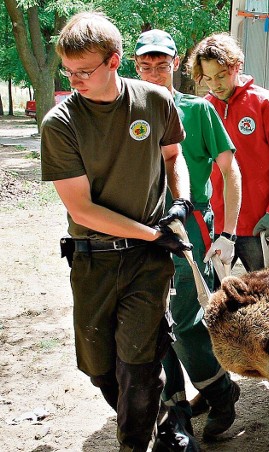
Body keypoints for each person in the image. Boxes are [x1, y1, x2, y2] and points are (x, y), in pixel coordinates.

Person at [40, 12, 193, 451]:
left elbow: (172, 156)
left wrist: (179, 201)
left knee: (138, 364)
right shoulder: (61, 123)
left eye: (85, 71)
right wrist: (152, 233)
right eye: (69, 72)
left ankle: (135, 442)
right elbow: (81, 208)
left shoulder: (154, 100)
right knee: (99, 368)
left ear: (114, 60)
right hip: (94, 258)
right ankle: (162, 412)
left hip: (147, 262)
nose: (76, 80)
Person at [133, 29, 243, 447]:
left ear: (176, 64)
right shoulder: (128, 114)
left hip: (189, 227)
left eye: (162, 65)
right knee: (150, 323)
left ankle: (220, 392)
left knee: (187, 320)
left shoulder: (197, 111)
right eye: (146, 65)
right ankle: (175, 411)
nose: (155, 72)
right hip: (140, 232)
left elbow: (230, 171)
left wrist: (229, 232)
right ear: (135, 66)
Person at [187, 33, 269, 272]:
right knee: (217, 301)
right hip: (218, 226)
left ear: (237, 66)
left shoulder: (266, 104)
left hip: (261, 225)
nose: (215, 84)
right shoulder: (204, 109)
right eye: (208, 79)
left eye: (221, 75)